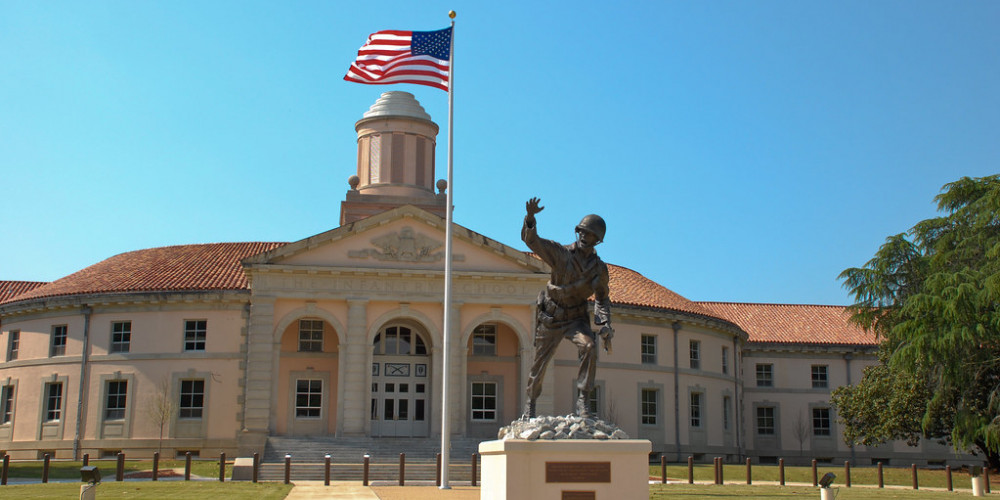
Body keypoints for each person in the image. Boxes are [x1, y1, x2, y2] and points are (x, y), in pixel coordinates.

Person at [521, 197, 613, 418]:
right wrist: (531, 219)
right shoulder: (561, 254)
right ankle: (530, 406)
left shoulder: (599, 270)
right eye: (580, 231)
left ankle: (583, 401)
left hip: (576, 318)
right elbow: (533, 242)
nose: (583, 235)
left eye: (588, 233)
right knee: (539, 365)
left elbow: (602, 298)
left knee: (589, 347)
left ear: (597, 240)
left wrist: (606, 323)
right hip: (551, 316)